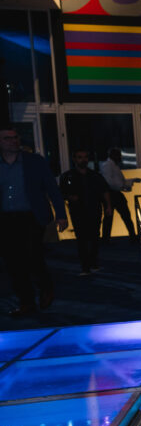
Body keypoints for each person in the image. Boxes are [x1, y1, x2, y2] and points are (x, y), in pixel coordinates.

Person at [0, 127, 67, 316]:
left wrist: (61, 214)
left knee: (32, 256)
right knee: (13, 263)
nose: (13, 141)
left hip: (31, 216)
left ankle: (46, 287)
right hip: (5, 219)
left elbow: (52, 189)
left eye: (15, 137)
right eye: (7, 138)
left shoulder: (34, 162)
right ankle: (26, 302)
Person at [60, 149, 110, 275]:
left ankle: (92, 264)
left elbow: (104, 191)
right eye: (80, 157)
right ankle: (86, 266)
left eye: (85, 157)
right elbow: (61, 193)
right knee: (82, 239)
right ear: (74, 159)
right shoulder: (68, 176)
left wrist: (108, 206)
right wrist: (69, 197)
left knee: (93, 238)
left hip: (94, 210)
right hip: (78, 211)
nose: (83, 160)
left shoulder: (95, 175)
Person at [99, 147, 138, 242]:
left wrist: (129, 182)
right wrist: (122, 186)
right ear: (114, 155)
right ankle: (107, 238)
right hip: (111, 194)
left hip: (113, 193)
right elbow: (110, 182)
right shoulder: (108, 166)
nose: (120, 157)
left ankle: (107, 238)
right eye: (118, 155)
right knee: (118, 216)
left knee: (119, 216)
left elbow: (117, 182)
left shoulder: (112, 165)